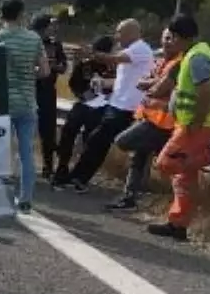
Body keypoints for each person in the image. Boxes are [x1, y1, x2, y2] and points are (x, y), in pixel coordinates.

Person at [149, 14, 210, 241]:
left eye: (172, 37)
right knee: (183, 178)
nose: (170, 42)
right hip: (188, 123)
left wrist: (195, 123)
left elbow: (205, 92)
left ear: (181, 37)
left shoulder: (197, 58)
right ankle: (178, 224)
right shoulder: (194, 53)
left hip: (196, 126)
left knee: (166, 163)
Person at [60, 18, 155, 193]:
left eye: (120, 32)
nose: (117, 36)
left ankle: (78, 178)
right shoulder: (131, 50)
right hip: (117, 104)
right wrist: (104, 83)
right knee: (97, 141)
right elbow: (124, 79)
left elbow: (114, 59)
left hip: (127, 108)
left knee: (97, 140)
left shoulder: (140, 49)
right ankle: (78, 178)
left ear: (131, 33)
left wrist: (93, 53)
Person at [0, 0, 50, 212]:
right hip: (28, 102)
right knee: (26, 152)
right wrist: (29, 73)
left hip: (2, 103)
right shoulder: (33, 38)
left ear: (1, 15)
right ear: (21, 14)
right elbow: (45, 71)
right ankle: (26, 198)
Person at [105, 27, 184, 212]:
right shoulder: (161, 62)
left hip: (163, 123)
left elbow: (159, 88)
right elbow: (143, 82)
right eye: (165, 38)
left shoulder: (179, 63)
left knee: (123, 141)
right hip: (149, 117)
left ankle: (143, 195)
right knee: (138, 158)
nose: (167, 42)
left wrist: (153, 84)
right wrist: (154, 82)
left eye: (172, 38)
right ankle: (130, 198)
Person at [52, 34, 115, 187]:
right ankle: (62, 166)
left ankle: (79, 175)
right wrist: (87, 96)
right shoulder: (86, 64)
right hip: (84, 104)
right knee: (68, 131)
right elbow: (74, 83)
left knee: (91, 140)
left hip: (103, 108)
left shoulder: (115, 67)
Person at [32, 14, 69, 179]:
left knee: (48, 130)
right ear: (41, 27)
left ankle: (48, 167)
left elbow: (63, 66)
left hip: (47, 90)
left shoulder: (55, 45)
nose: (54, 29)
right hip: (29, 89)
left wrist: (53, 66)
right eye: (50, 26)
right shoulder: (30, 42)